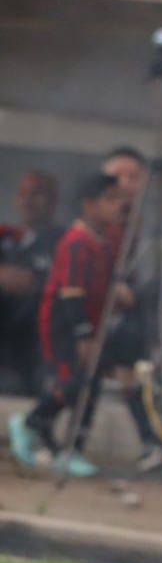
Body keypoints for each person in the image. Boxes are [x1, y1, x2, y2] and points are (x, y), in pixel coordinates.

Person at [8, 170, 138, 478]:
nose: (117, 206)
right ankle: (31, 423)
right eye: (110, 200)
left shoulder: (102, 242)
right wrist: (82, 334)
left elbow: (101, 284)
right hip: (66, 326)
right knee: (71, 384)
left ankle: (72, 448)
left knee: (90, 387)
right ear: (88, 204)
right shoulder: (76, 243)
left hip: (92, 325)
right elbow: (71, 292)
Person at [0, 168, 62, 398]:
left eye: (36, 194)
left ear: (52, 201)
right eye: (22, 194)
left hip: (41, 353)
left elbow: (32, 282)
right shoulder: (6, 239)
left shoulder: (63, 241)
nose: (27, 201)